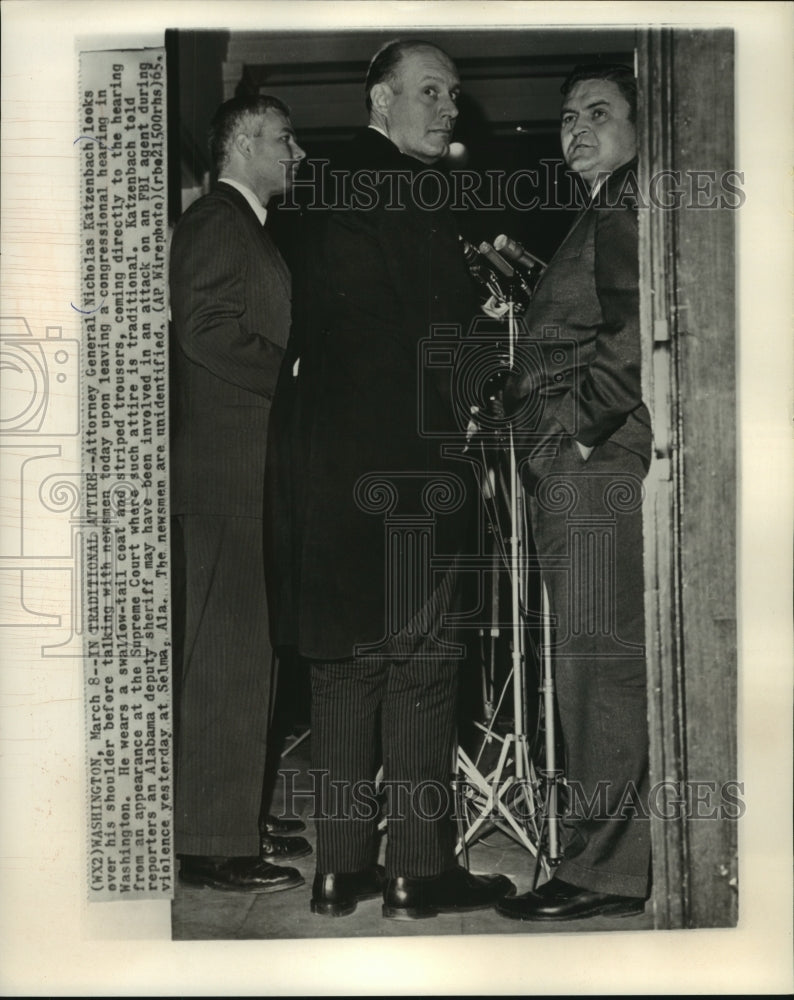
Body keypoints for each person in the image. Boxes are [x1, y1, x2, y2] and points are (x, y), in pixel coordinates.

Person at [266, 40, 514, 920]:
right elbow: (445, 350)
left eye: (454, 94)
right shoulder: (413, 195)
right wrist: (493, 327)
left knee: (344, 674)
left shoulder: (318, 189)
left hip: (325, 482)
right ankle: (416, 872)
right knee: (422, 668)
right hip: (411, 477)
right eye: (431, 92)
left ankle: (339, 871)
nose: (449, 108)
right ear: (382, 98)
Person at [495, 64, 653, 921]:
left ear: (640, 126)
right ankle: (615, 860)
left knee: (597, 669)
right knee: (597, 664)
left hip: (591, 469)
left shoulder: (626, 203)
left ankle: (604, 871)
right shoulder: (605, 205)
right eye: (566, 118)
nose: (577, 129)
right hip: (581, 463)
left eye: (600, 113)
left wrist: (577, 428)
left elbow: (635, 333)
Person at [169, 95, 311, 893]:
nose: (296, 152)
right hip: (227, 479)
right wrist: (292, 374)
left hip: (243, 477)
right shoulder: (219, 223)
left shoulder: (243, 224)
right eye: (284, 139)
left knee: (244, 656)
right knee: (226, 659)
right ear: (244, 143)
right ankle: (211, 846)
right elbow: (206, 329)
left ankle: (232, 817)